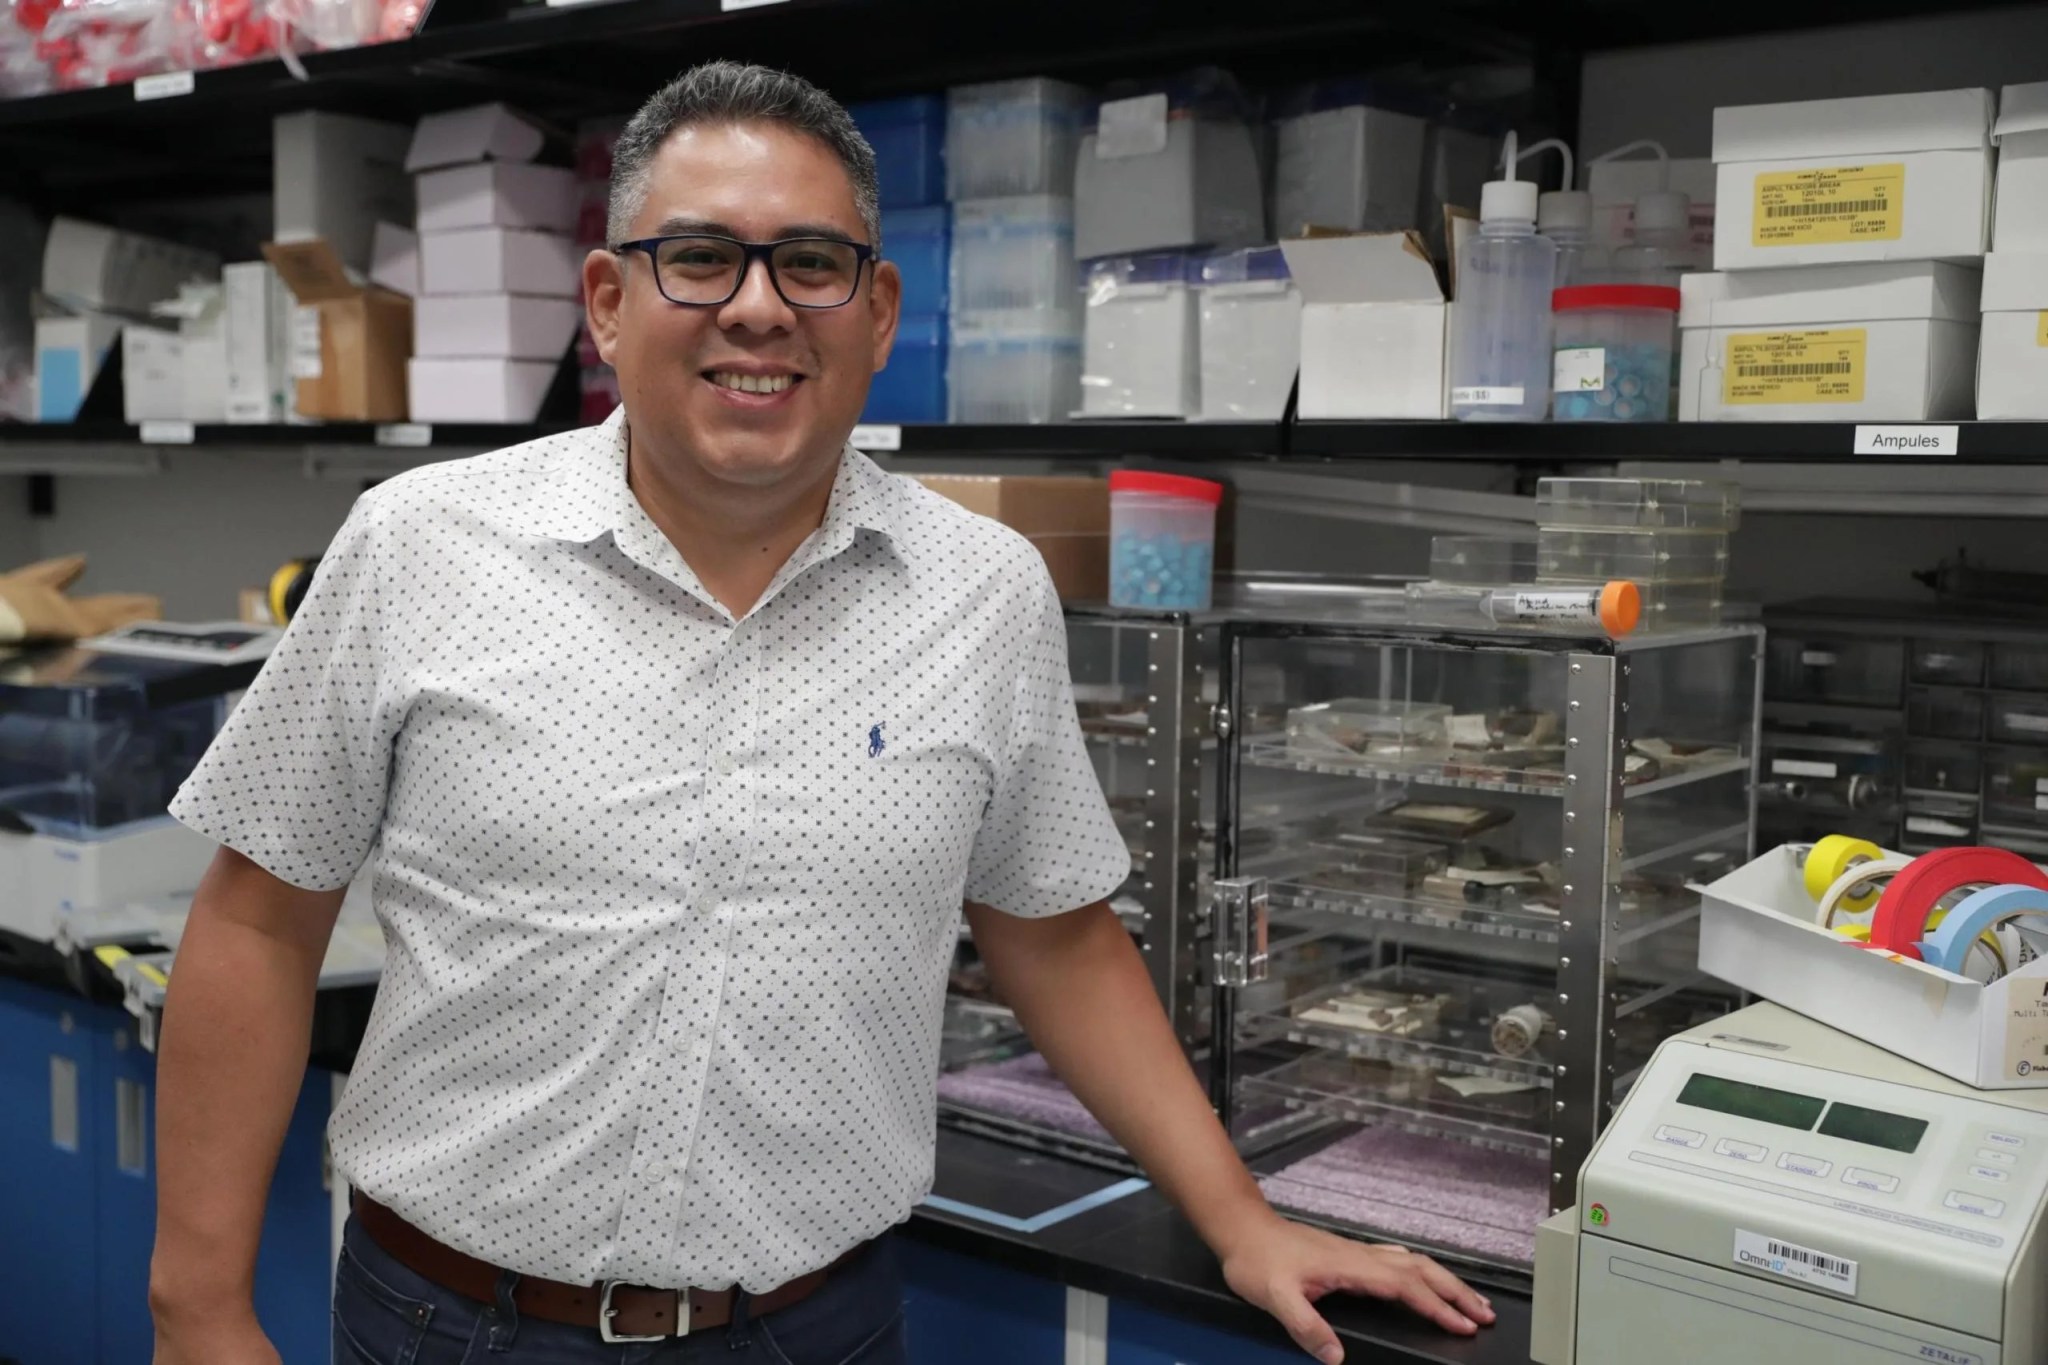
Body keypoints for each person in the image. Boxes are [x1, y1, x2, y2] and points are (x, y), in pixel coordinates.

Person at [147, 60, 1495, 1365]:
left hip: (814, 1331)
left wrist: (1240, 1215)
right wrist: (196, 1310)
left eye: (809, 262)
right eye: (700, 258)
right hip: (452, 1324)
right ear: (610, 301)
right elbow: (260, 916)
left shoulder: (982, 593)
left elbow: (1060, 936)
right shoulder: (420, 546)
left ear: (879, 309)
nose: (758, 308)